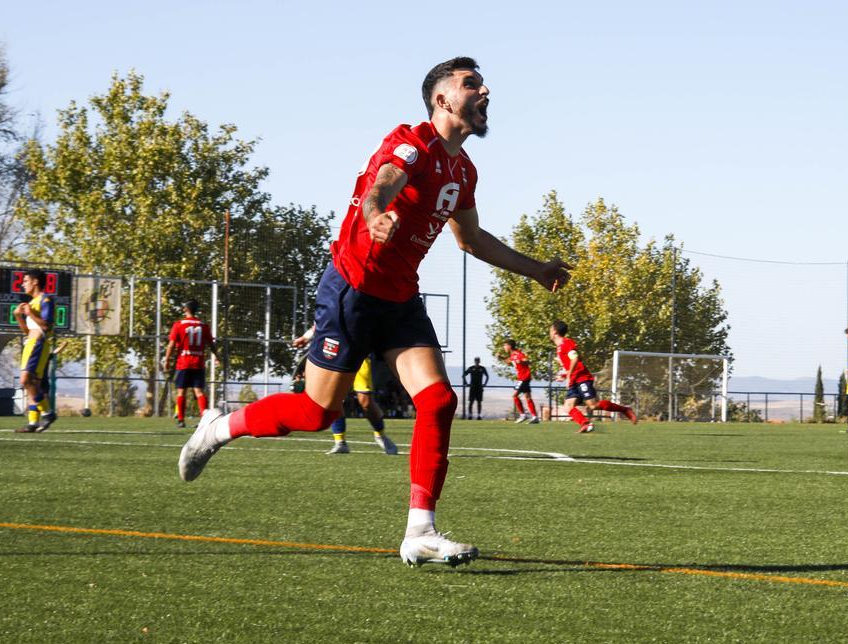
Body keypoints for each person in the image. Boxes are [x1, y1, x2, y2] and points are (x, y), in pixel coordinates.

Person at [177, 57, 572, 568]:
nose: (484, 90)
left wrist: (537, 269)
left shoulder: (463, 170)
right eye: (470, 83)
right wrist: (374, 214)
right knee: (317, 413)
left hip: (400, 299)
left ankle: (419, 533)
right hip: (353, 291)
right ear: (442, 100)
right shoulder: (412, 140)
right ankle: (218, 427)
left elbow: (471, 239)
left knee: (438, 401)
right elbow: (382, 184)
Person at [295, 324, 399, 455]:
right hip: (336, 353)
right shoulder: (333, 304)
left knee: (365, 401)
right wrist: (306, 337)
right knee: (334, 398)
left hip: (361, 354)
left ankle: (381, 435)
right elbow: (323, 320)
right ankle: (340, 442)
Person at [549, 320, 637, 432]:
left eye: (550, 330)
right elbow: (575, 360)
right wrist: (565, 374)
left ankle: (625, 410)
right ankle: (585, 424)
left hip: (581, 378)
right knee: (568, 406)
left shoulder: (566, 343)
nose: (549, 332)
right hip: (574, 380)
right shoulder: (559, 348)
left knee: (593, 406)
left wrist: (569, 374)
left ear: (555, 332)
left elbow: (575, 358)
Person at [163, 300, 221, 428]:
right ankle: (204, 419)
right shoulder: (203, 325)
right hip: (198, 362)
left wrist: (167, 359)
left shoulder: (179, 325)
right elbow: (211, 344)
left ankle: (181, 420)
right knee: (199, 392)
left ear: (185, 309)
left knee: (181, 392)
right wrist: (217, 356)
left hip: (183, 362)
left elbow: (171, 344)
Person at [14, 270, 57, 433]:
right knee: (33, 384)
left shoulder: (45, 299)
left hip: (38, 344)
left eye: (25, 281)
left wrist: (30, 313)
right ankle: (33, 423)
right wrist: (18, 316)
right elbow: (28, 331)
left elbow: (46, 326)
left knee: (25, 380)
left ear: (35, 282)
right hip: (30, 342)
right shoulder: (31, 303)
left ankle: (48, 412)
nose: (22, 284)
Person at [503, 339, 539, 424]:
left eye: (505, 345)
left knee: (515, 396)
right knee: (528, 397)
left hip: (524, 378)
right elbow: (508, 362)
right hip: (524, 377)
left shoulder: (518, 354)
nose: (504, 347)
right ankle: (535, 417)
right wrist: (501, 357)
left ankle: (523, 415)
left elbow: (527, 361)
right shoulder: (512, 355)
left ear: (509, 346)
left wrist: (522, 361)